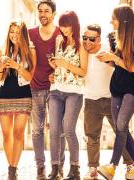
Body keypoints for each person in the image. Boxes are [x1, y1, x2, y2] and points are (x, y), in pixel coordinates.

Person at [97, 4, 134, 180]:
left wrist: (114, 58)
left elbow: (133, 67)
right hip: (117, 87)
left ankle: (112, 166)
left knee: (121, 124)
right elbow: (117, 64)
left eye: (114, 18)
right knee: (121, 127)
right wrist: (107, 59)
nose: (111, 21)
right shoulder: (113, 37)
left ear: (123, 20)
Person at [47, 11, 88, 180]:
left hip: (74, 92)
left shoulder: (81, 45)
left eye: (66, 25)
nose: (63, 29)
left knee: (69, 129)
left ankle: (75, 169)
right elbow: (59, 66)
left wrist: (65, 64)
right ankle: (56, 169)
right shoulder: (58, 41)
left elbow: (83, 71)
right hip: (56, 89)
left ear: (74, 25)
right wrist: (54, 68)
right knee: (54, 131)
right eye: (61, 25)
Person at [28, 0, 65, 179]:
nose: (43, 14)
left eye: (47, 11)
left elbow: (68, 60)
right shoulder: (30, 34)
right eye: (40, 11)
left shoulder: (61, 33)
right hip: (34, 87)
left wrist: (57, 73)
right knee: (37, 130)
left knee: (58, 129)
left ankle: (58, 167)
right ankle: (40, 167)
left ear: (53, 14)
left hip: (56, 89)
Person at [0, 20, 36, 180]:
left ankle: (13, 169)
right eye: (11, 31)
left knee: (18, 133)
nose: (14, 35)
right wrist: (1, 66)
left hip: (23, 95)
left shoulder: (30, 51)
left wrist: (16, 65)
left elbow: (30, 77)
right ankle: (10, 164)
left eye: (18, 32)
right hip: (5, 95)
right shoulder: (2, 51)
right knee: (6, 135)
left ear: (23, 34)